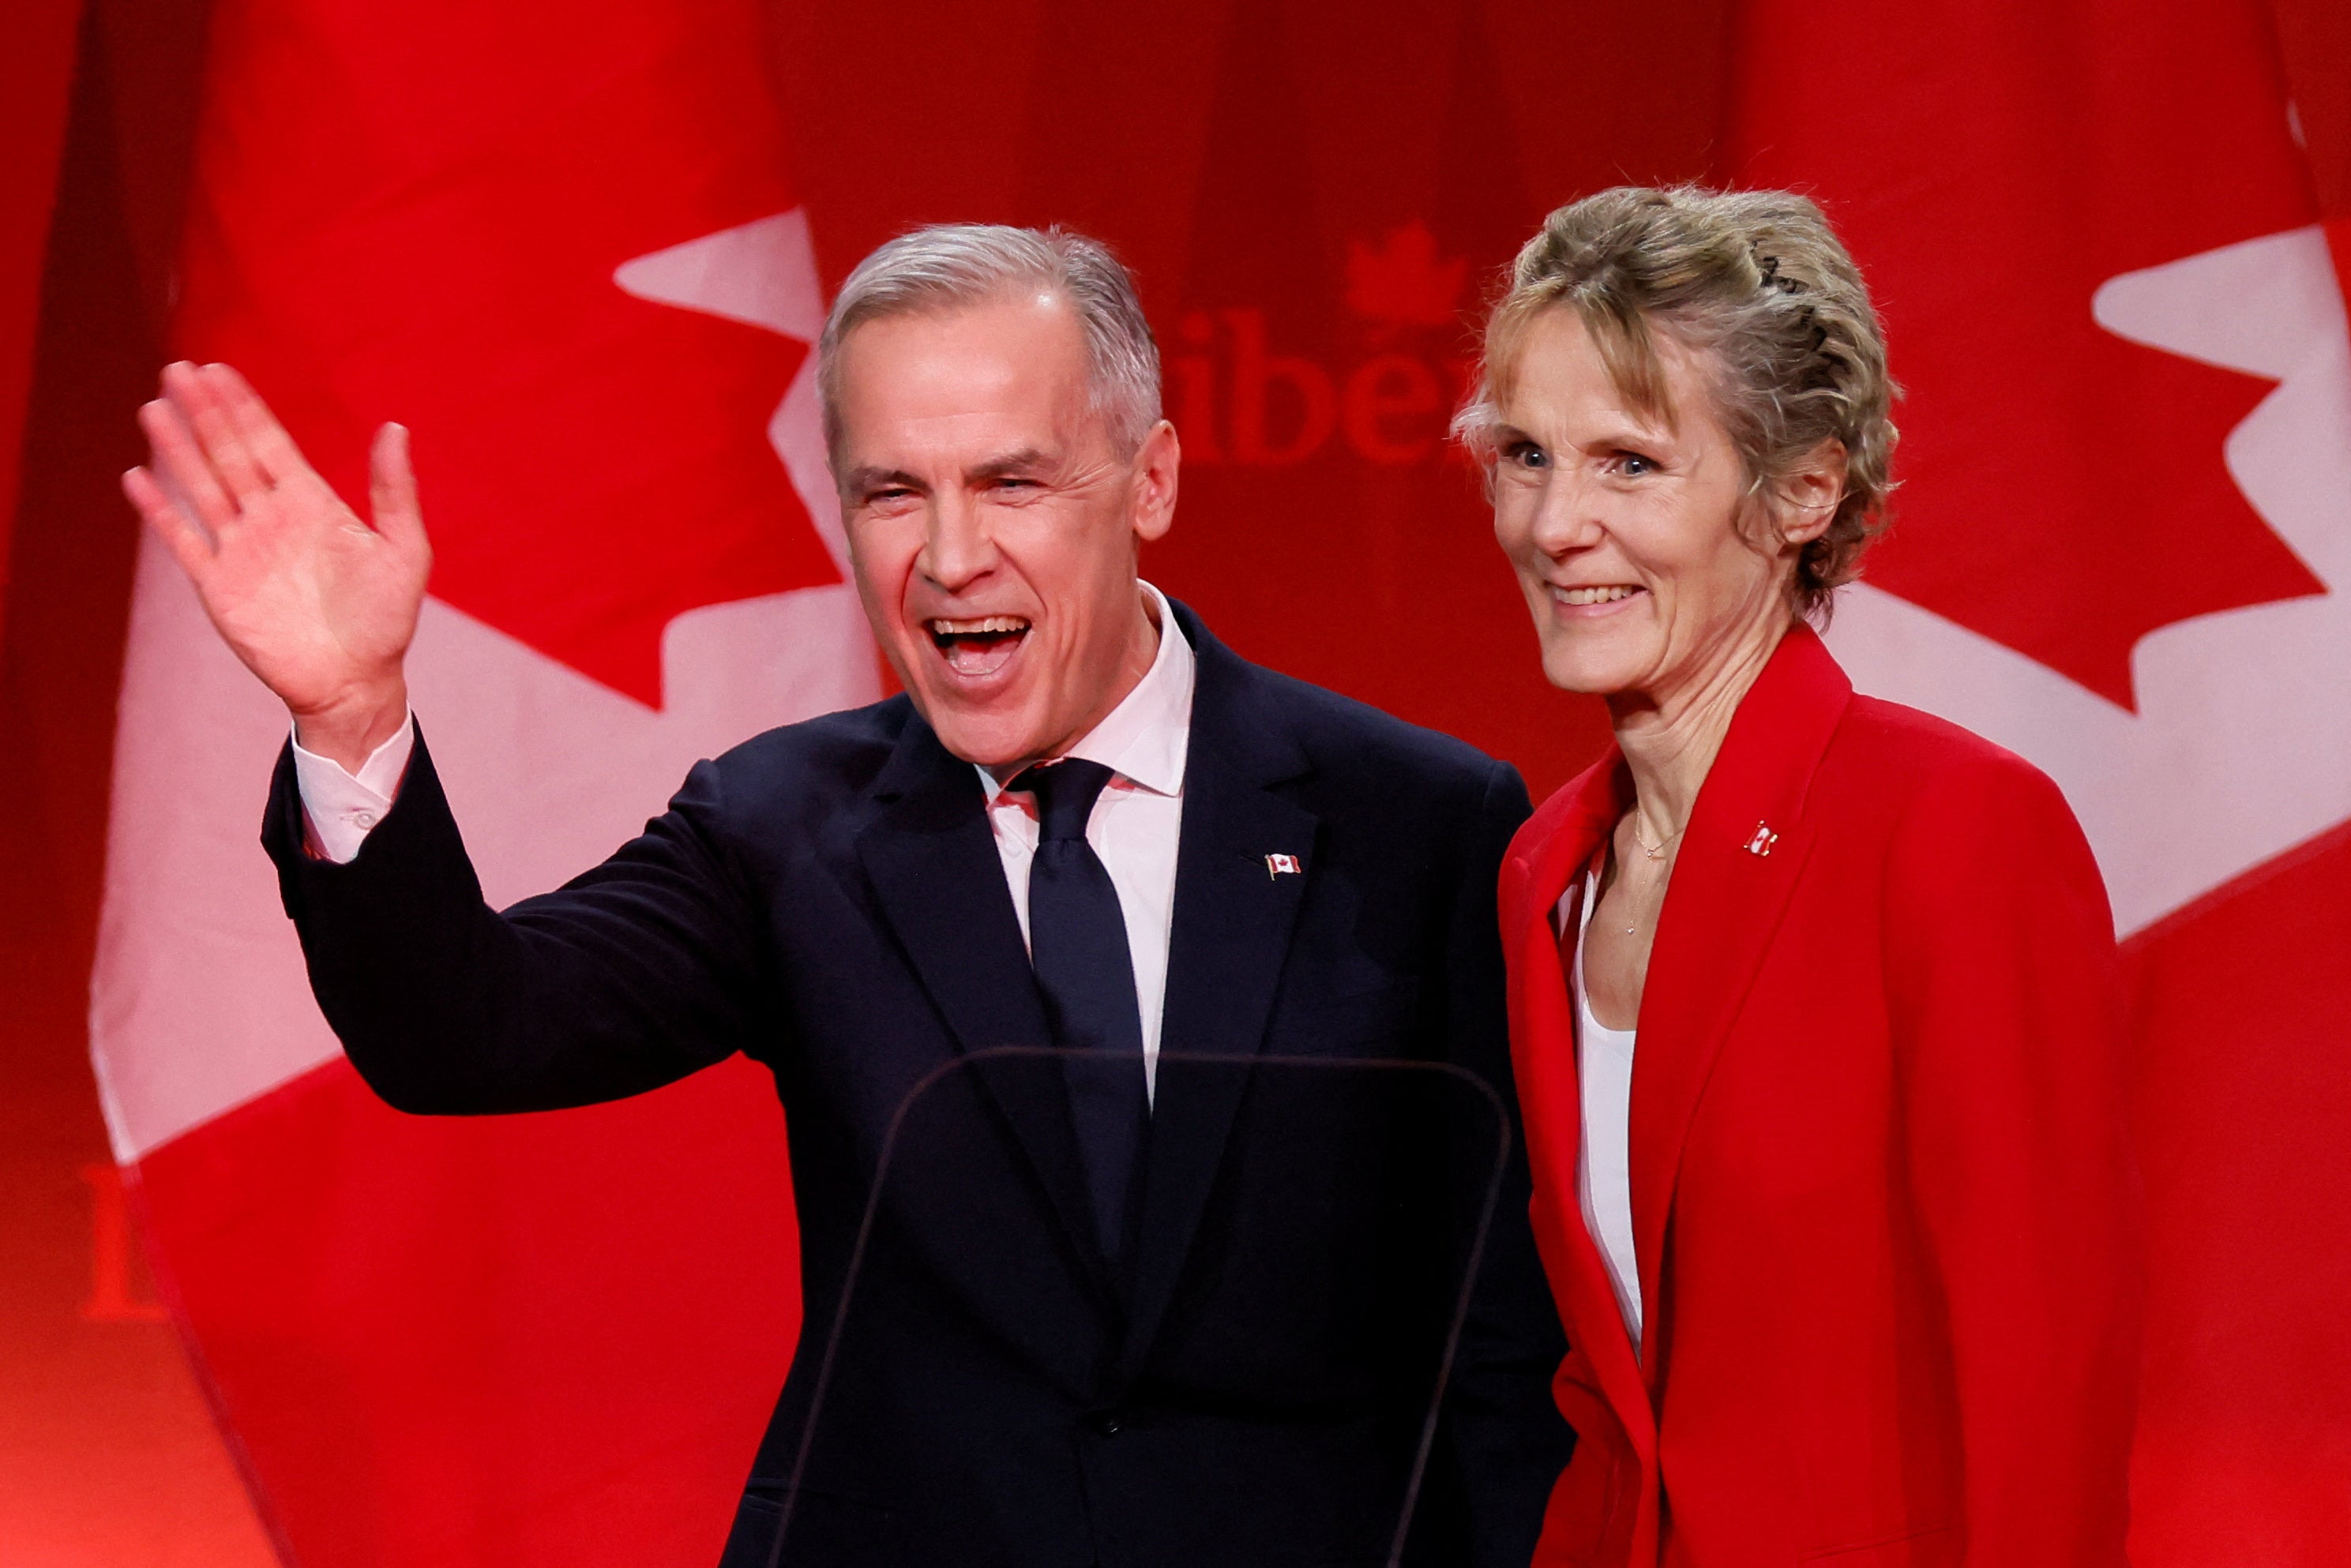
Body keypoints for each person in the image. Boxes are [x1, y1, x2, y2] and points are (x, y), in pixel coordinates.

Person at [123, 224, 1572, 1568]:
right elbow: (466, 1031)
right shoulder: (784, 826)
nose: (948, 557)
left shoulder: (1418, 823)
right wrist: (353, 713)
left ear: (1150, 480)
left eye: (1010, 482)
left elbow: (1501, 1335)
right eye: (892, 491)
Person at [1455, 186, 2140, 1566]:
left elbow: (2041, 1385)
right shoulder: (1544, 867)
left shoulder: (1951, 831)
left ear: (1801, 493)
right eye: (1525, 453)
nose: (1554, 522)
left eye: (1629, 463)